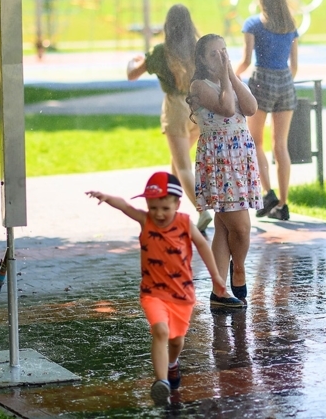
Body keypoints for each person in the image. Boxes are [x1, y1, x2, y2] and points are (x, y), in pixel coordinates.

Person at [85, 172, 241, 405]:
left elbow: (203, 247)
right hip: (152, 293)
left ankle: (172, 364)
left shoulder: (185, 222)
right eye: (153, 206)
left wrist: (217, 277)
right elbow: (125, 206)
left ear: (177, 204)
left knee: (176, 341)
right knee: (160, 332)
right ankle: (161, 383)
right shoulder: (145, 220)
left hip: (182, 294)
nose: (158, 213)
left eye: (165, 208)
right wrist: (106, 197)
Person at [189, 34, 262, 306]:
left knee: (223, 226)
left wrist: (230, 74)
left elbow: (251, 108)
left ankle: (219, 290)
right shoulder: (199, 85)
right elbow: (228, 108)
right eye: (214, 54)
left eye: (224, 52)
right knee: (241, 228)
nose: (221, 57)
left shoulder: (230, 80)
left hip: (240, 156)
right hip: (219, 161)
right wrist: (224, 77)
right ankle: (239, 269)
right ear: (202, 61)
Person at [127, 4, 214, 232]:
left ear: (167, 26)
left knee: (184, 166)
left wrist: (133, 60)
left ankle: (202, 210)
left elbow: (132, 75)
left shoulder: (160, 52)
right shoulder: (199, 50)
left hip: (175, 109)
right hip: (198, 109)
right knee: (178, 162)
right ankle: (173, 211)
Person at [235, 0, 299, 222]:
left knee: (256, 141)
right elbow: (294, 66)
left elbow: (246, 61)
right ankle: (283, 204)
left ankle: (267, 192)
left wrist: (231, 74)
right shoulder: (290, 26)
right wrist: (283, 81)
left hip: (262, 81)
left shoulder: (254, 24)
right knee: (280, 146)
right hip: (285, 82)